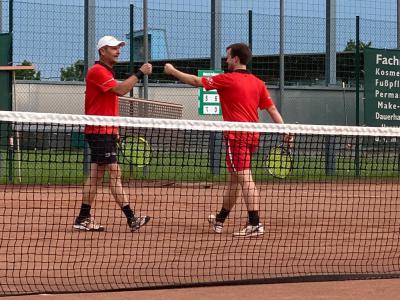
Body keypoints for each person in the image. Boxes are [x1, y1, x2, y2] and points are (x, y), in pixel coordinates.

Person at [164, 42, 292, 237]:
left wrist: (173, 71)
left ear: (236, 59)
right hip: (252, 136)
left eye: (228, 56)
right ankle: (220, 219)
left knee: (245, 179)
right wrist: (285, 130)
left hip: (236, 136)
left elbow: (197, 82)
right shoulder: (258, 83)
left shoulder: (227, 79)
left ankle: (255, 223)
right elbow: (272, 109)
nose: (226, 60)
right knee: (234, 181)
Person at [73, 35, 152, 232]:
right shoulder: (97, 71)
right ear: (102, 51)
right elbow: (120, 91)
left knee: (95, 176)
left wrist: (115, 130)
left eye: (118, 47)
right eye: (113, 48)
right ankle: (131, 218)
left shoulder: (107, 72)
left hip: (106, 130)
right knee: (114, 172)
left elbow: (110, 104)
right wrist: (139, 73)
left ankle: (83, 218)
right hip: (98, 130)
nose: (118, 51)